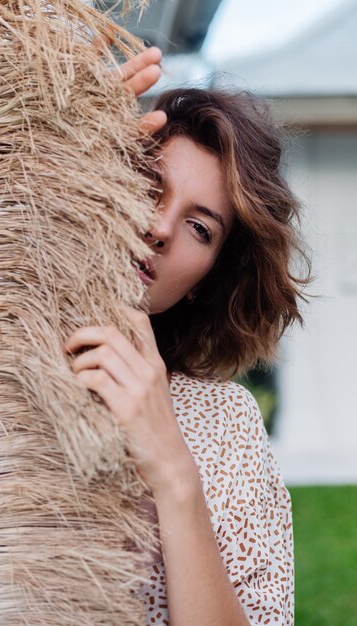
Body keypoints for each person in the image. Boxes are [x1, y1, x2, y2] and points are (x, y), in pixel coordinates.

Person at [64, 47, 308, 626]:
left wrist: (173, 470)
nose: (160, 227)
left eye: (200, 227)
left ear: (206, 279)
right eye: (149, 184)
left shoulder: (226, 423)